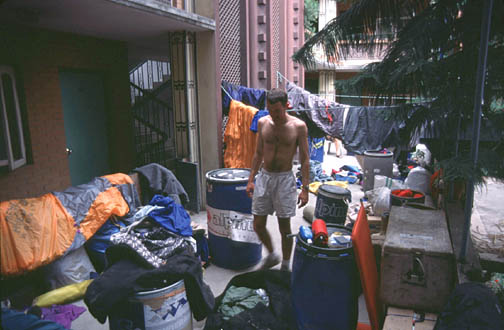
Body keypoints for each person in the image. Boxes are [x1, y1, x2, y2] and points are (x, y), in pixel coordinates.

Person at [246, 88, 310, 271]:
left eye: (277, 111)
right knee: (258, 224)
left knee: (285, 227)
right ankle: (273, 255)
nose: (273, 114)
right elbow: (258, 154)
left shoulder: (298, 126)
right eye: (269, 109)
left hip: (284, 179)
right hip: (264, 177)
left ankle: (285, 265)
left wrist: (305, 188)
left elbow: (305, 159)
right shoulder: (262, 122)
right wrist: (251, 180)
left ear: (286, 106)